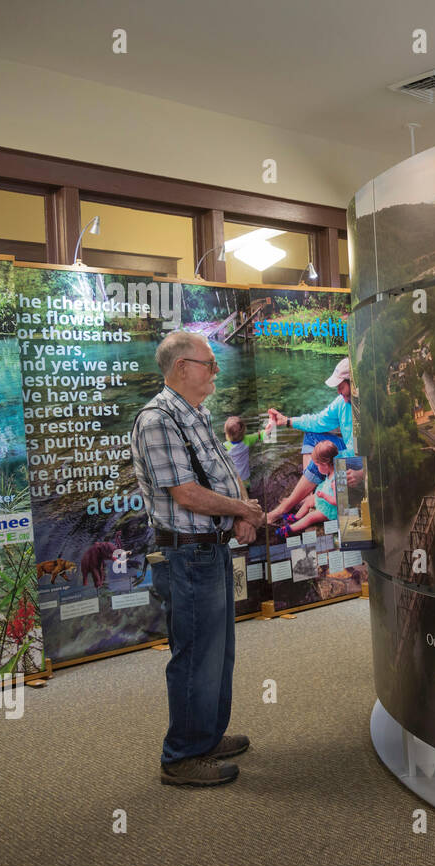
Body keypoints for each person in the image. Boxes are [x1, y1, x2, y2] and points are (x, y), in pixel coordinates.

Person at [131, 331, 265, 787]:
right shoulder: (157, 420)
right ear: (181, 368)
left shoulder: (195, 414)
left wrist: (242, 513)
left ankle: (205, 736)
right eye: (209, 363)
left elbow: (224, 473)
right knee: (194, 656)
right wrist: (242, 511)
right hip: (187, 557)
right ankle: (182, 756)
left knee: (218, 653)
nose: (215, 370)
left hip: (210, 549)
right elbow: (186, 493)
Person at [266, 356, 365, 526]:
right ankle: (312, 490)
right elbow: (318, 421)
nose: (338, 391)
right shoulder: (342, 403)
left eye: (341, 386)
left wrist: (363, 472)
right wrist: (287, 421)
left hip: (358, 459)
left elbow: (385, 452)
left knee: (321, 456)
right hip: (350, 450)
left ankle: (283, 509)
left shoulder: (368, 406)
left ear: (353, 382)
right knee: (311, 435)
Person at [278, 440, 340, 538]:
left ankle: (291, 529)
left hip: (330, 510)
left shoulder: (335, 481)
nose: (317, 468)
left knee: (310, 517)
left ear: (324, 464)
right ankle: (297, 517)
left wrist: (324, 496)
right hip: (325, 499)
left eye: (317, 465)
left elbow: (338, 501)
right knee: (309, 501)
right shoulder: (331, 470)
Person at [222, 414, 262, 487]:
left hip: (233, 479)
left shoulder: (224, 447)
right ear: (243, 430)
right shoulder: (248, 440)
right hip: (245, 478)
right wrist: (269, 426)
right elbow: (261, 435)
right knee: (248, 491)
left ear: (227, 434)